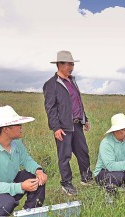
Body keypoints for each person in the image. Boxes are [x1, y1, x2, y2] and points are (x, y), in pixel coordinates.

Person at [43, 50, 92, 196]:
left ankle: (86, 178)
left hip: (77, 124)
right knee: (64, 156)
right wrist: (55, 128)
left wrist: (85, 119)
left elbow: (77, 102)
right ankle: (66, 183)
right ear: (59, 65)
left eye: (72, 64)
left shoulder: (72, 80)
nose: (71, 67)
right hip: (63, 126)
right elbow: (50, 108)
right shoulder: (51, 84)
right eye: (68, 64)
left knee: (83, 152)